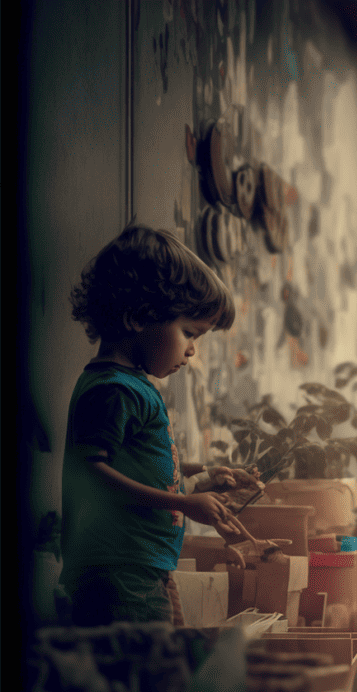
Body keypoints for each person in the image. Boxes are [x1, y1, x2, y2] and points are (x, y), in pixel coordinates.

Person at [60, 224, 270, 627]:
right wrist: (182, 503)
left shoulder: (133, 386)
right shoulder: (112, 390)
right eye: (189, 333)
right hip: (118, 574)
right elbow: (91, 472)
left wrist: (207, 474)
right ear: (139, 316)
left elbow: (144, 464)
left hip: (144, 567)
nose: (192, 350)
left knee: (166, 669)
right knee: (145, 679)